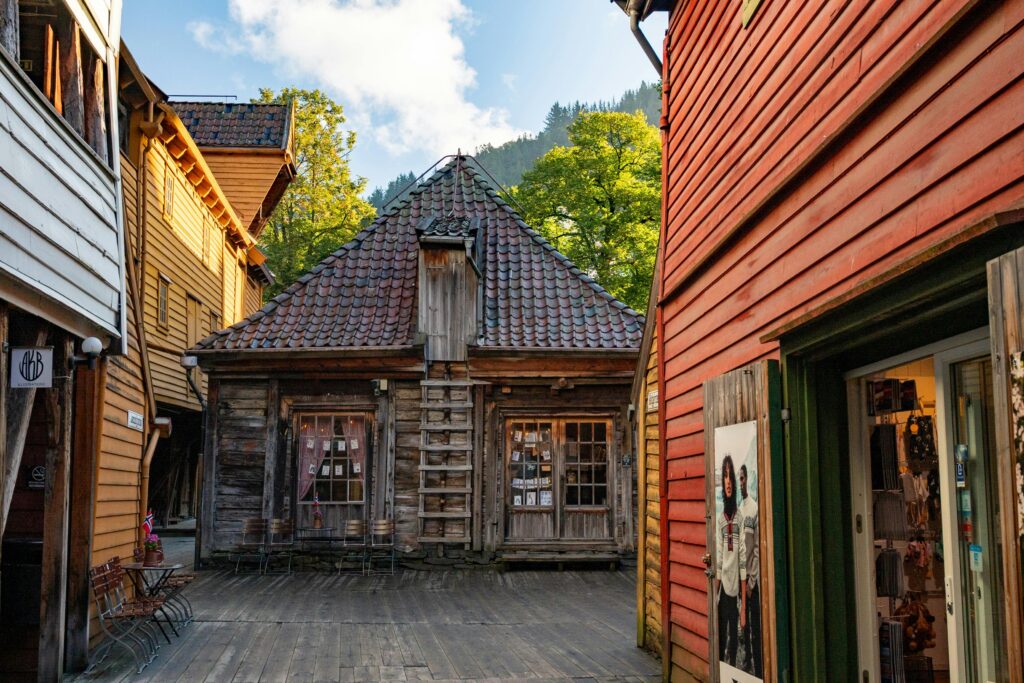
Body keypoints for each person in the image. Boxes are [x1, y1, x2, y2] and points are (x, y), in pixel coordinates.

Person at [716, 454, 745, 668]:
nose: (727, 481)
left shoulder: (740, 518)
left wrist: (743, 600)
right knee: (722, 632)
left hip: (737, 586)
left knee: (734, 636)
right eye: (724, 475)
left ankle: (733, 668)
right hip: (723, 586)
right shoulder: (720, 520)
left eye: (730, 476)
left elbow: (742, 558)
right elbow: (718, 556)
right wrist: (714, 593)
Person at [739, 464, 762, 677]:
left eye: (743, 478)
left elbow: (755, 548)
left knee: (755, 622)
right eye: (739, 479)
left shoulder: (754, 508)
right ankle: (747, 660)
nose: (741, 483)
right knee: (744, 623)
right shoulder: (739, 508)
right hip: (741, 577)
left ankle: (758, 664)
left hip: (751, 579)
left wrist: (752, 580)